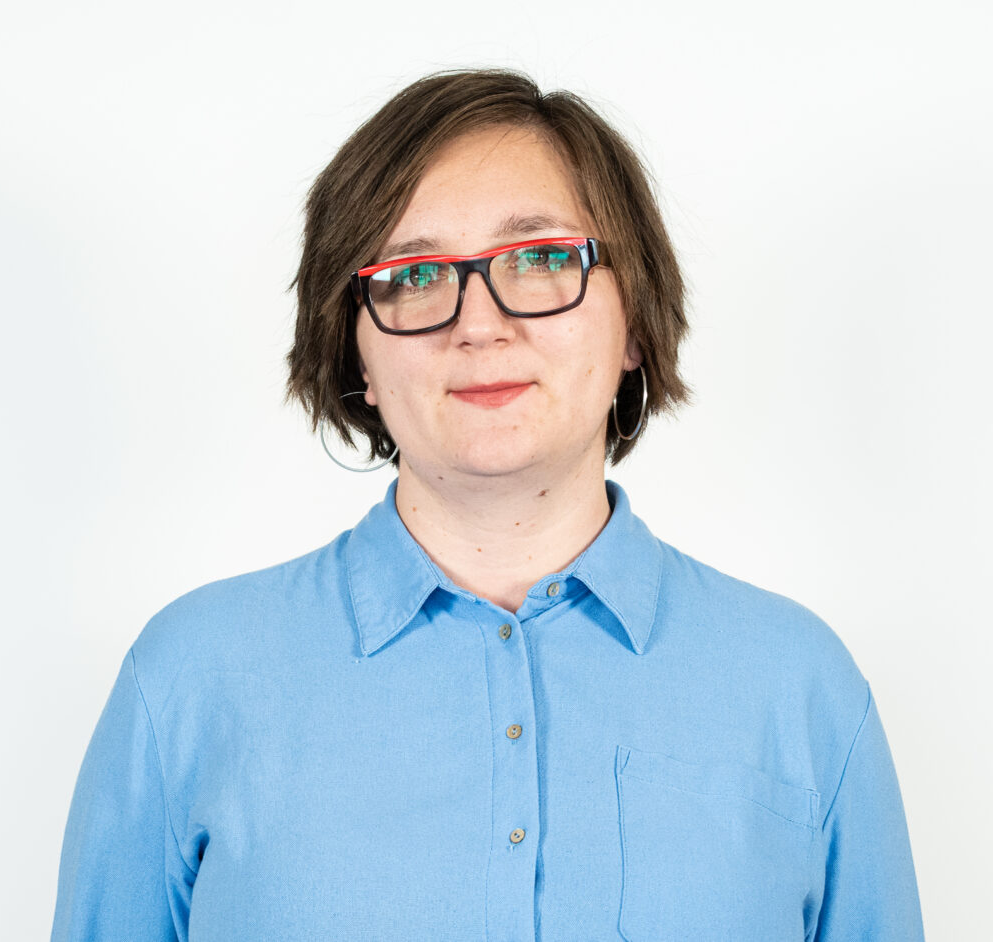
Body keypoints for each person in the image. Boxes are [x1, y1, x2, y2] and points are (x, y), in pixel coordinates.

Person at [50, 69, 925, 941]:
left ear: (634, 319)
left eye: (541, 260)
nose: (477, 324)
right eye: (414, 274)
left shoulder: (799, 686)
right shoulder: (189, 682)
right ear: (355, 351)